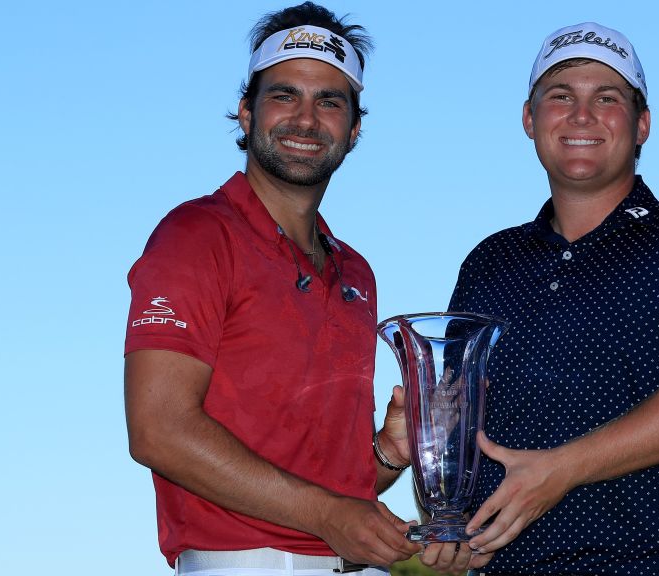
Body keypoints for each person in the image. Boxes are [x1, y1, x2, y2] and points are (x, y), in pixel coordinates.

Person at [449, 22, 659, 575]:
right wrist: (458, 524)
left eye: (607, 98)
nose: (582, 116)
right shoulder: (489, 262)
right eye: (561, 97)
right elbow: (460, 412)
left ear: (642, 124)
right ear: (530, 120)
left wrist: (563, 469)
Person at [124, 4, 427, 574]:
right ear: (245, 112)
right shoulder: (196, 234)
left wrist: (390, 450)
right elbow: (158, 429)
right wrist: (334, 516)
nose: (306, 120)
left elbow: (336, 494)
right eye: (285, 95)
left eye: (330, 101)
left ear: (355, 127)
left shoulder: (356, 273)